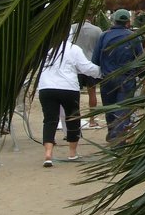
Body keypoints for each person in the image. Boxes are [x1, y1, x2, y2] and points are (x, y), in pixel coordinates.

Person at [37, 35, 102, 167]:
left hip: (46, 87)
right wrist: (101, 72)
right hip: (68, 88)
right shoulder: (73, 49)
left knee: (50, 120)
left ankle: (48, 154)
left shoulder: (45, 48)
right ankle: (72, 152)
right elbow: (86, 68)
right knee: (73, 118)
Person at [92, 8, 144, 142]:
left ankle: (112, 134)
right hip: (126, 79)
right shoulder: (134, 37)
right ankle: (118, 138)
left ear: (114, 20)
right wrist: (144, 75)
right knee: (122, 110)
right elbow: (140, 60)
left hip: (107, 79)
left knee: (109, 108)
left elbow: (95, 60)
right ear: (127, 22)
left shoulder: (104, 36)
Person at [70, 15, 103, 129]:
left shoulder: (73, 28)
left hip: (76, 65)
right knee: (92, 92)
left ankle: (74, 120)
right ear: (92, 18)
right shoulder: (97, 30)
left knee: (74, 93)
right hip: (91, 64)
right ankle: (92, 120)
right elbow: (100, 47)